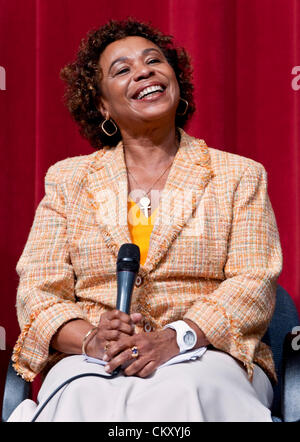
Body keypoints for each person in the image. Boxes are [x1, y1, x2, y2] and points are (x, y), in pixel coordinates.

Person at [8, 18, 282, 422]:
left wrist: (177, 337)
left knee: (182, 392)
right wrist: (91, 340)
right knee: (84, 395)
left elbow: (253, 282)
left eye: (154, 61)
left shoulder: (238, 175)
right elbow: (37, 290)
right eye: (122, 70)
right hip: (96, 359)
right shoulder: (68, 180)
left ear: (175, 79)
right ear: (102, 104)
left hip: (205, 353)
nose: (144, 72)